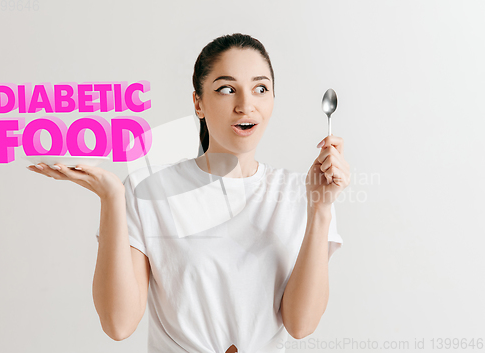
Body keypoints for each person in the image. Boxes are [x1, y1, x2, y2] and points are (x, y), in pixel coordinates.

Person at [26, 33, 350, 353]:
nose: (245, 105)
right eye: (227, 89)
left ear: (273, 100)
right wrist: (112, 198)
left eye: (260, 88)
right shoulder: (149, 190)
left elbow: (301, 324)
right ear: (198, 103)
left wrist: (320, 208)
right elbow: (118, 323)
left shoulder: (301, 192)